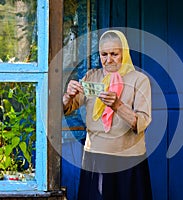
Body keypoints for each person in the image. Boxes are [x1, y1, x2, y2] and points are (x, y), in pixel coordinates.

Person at [63, 30, 152, 200]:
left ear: (123, 53)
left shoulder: (139, 80)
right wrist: (68, 95)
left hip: (129, 160)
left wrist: (118, 106)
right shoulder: (91, 77)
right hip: (95, 158)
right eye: (104, 54)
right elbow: (67, 107)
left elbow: (142, 122)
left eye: (114, 54)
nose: (108, 59)